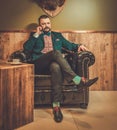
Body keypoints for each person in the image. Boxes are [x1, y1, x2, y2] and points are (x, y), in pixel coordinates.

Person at [23, 15, 98, 123]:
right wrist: (36, 34)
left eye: (48, 23)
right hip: (39, 64)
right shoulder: (35, 36)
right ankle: (77, 79)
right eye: (43, 23)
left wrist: (79, 46)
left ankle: (56, 107)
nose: (46, 25)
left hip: (52, 64)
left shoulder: (57, 36)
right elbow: (26, 49)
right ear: (40, 25)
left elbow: (69, 45)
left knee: (56, 66)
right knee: (56, 53)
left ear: (50, 23)